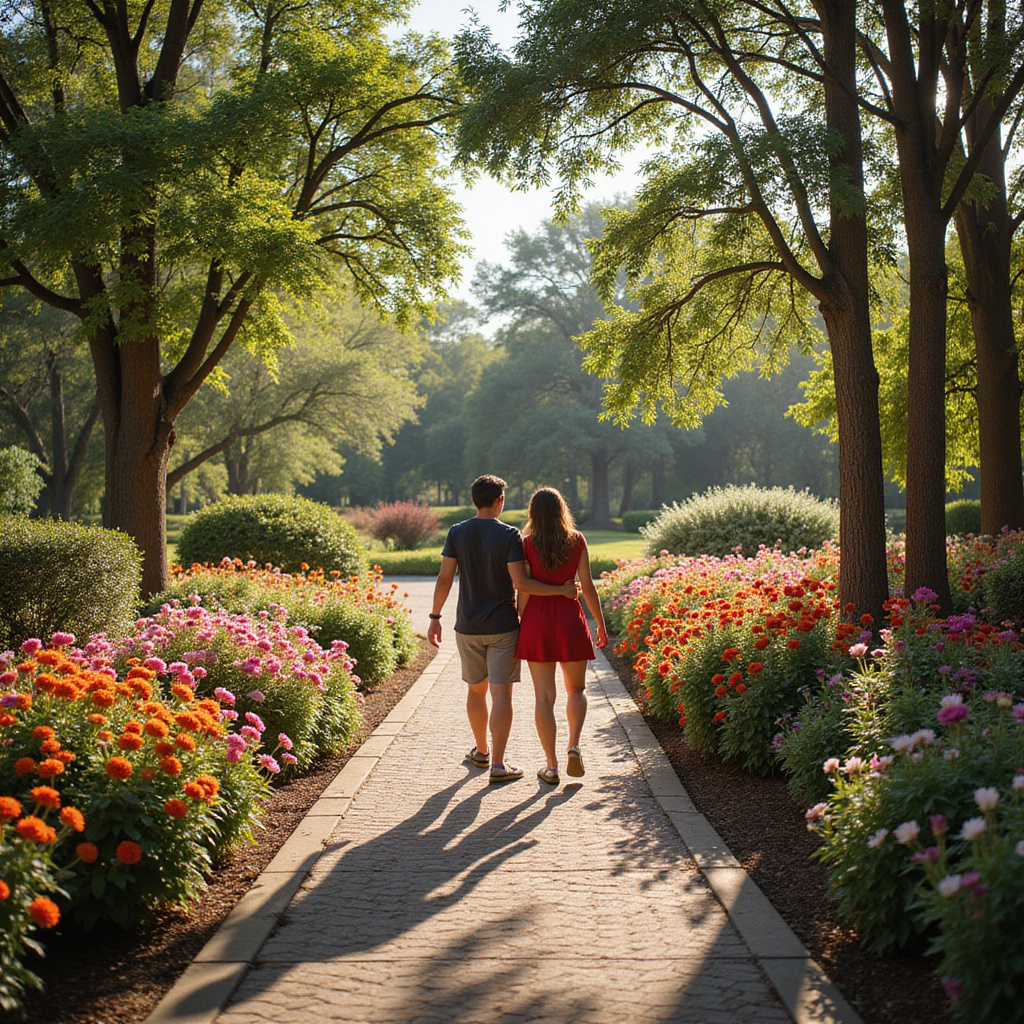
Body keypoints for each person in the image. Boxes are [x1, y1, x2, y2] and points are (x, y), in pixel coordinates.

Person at [428, 474, 578, 783]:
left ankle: (481, 751)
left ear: (474, 500)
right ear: (500, 501)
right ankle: (498, 765)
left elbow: (444, 579)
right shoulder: (510, 536)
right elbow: (520, 583)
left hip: (467, 625)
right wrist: (561, 591)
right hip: (503, 626)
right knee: (501, 695)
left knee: (475, 689)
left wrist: (434, 616)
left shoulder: (457, 532)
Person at [516, 486, 607, 785]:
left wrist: (521, 619)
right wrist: (600, 624)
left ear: (533, 513)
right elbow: (588, 586)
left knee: (544, 698)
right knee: (576, 690)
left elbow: (524, 589)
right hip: (570, 618)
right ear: (561, 511)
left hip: (538, 621)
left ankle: (552, 766)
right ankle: (574, 745)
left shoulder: (526, 544)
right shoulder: (577, 541)